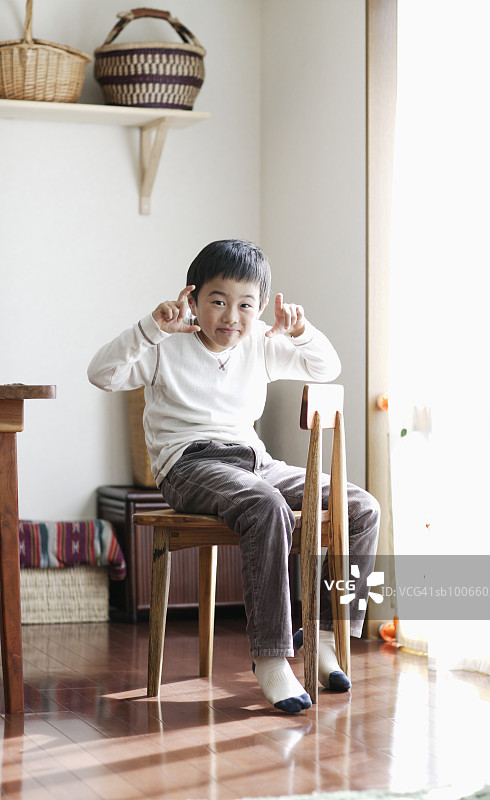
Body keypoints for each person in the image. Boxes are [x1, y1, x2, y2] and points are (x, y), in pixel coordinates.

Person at [88, 239, 380, 713]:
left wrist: (301, 331)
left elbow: (328, 367)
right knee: (266, 505)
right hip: (188, 464)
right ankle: (271, 656)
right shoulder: (166, 343)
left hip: (254, 460)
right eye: (218, 302)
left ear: (260, 307)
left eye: (245, 305)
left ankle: (325, 636)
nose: (230, 317)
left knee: (363, 508)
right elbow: (101, 373)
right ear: (193, 299)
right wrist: (149, 328)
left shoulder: (260, 343)